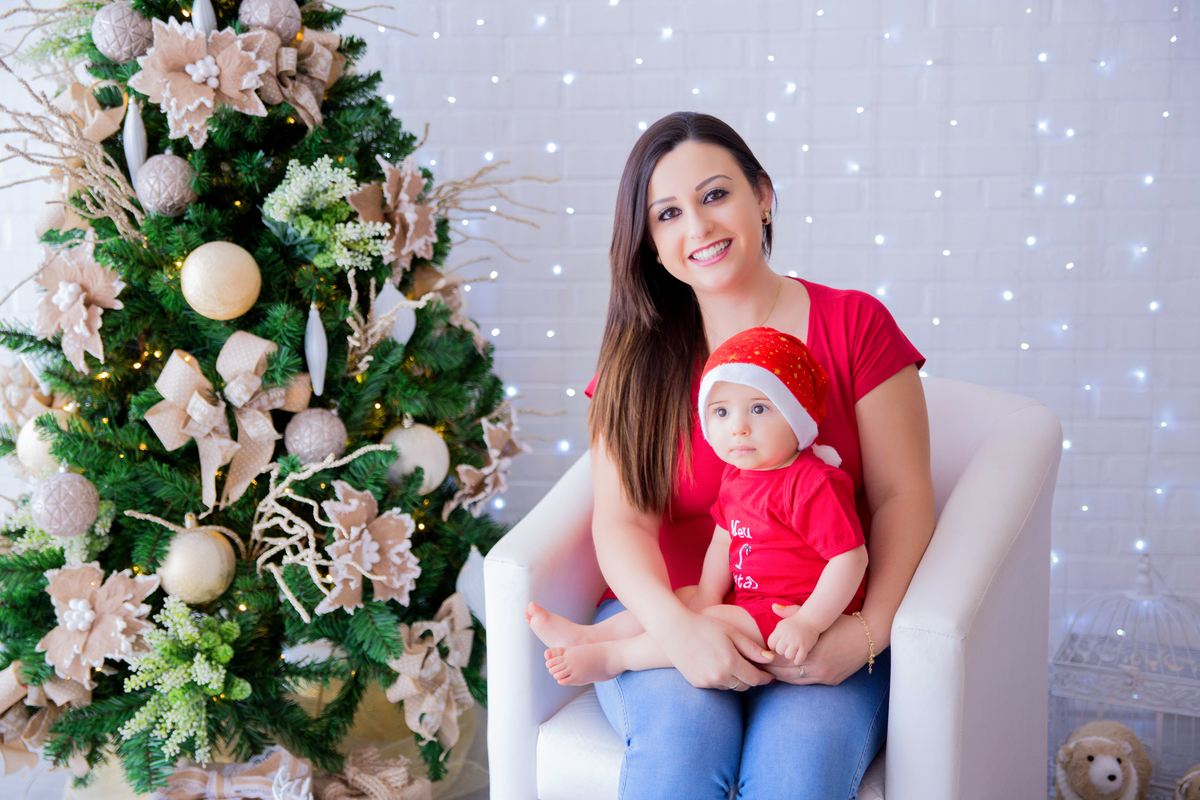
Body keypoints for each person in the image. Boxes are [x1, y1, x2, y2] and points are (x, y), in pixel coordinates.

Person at [562, 111, 935, 800]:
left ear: (763, 195)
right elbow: (622, 524)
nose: (697, 228)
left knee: (796, 776)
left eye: (714, 195)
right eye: (667, 213)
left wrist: (866, 632)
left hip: (816, 624)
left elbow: (901, 497)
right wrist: (678, 632)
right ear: (649, 241)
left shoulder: (855, 325)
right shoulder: (633, 363)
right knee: (680, 754)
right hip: (665, 613)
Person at [529, 327, 871, 688]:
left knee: (712, 624)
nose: (738, 427)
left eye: (758, 408)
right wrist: (707, 593)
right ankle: (591, 636)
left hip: (793, 608)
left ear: (796, 415)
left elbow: (850, 559)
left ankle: (616, 657)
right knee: (681, 602)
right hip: (749, 599)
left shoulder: (812, 484)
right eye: (721, 412)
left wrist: (810, 622)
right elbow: (724, 543)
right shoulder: (738, 478)